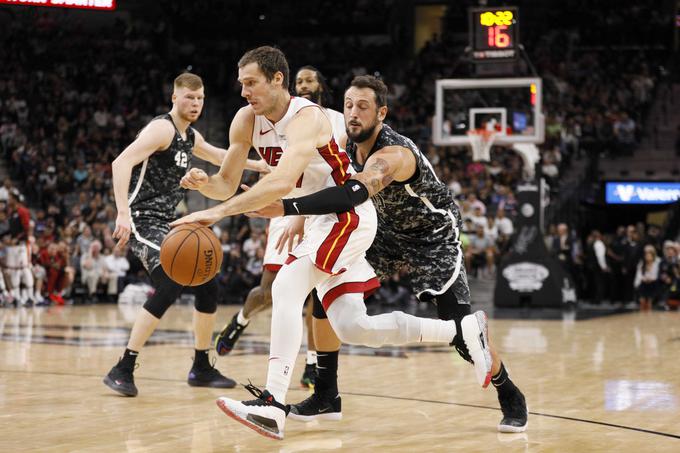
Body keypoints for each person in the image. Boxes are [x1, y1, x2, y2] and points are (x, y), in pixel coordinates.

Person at [173, 47, 492, 440]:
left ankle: (273, 404)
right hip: (320, 224)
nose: (244, 92)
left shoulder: (307, 117)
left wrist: (218, 213)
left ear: (278, 80)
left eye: (251, 83)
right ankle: (461, 332)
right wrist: (206, 184)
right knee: (354, 327)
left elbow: (280, 180)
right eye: (241, 84)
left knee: (288, 286)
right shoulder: (245, 120)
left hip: (346, 216)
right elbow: (225, 182)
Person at [249, 75, 527, 433]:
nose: (353, 113)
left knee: (458, 329)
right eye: (348, 105)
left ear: (381, 112)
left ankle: (508, 392)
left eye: (362, 107)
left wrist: (287, 207)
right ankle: (325, 394)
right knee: (325, 291)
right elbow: (316, 176)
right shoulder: (345, 146)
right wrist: (301, 218)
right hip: (382, 232)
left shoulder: (392, 155)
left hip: (431, 236)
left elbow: (352, 192)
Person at [102, 72, 254, 397]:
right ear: (175, 98)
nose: (195, 103)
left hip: (169, 222)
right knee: (172, 281)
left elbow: (221, 156)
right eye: (189, 97)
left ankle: (201, 366)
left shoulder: (190, 136)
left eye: (200, 98)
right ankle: (123, 367)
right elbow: (121, 162)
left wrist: (266, 168)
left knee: (207, 279)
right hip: (143, 219)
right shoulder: (162, 128)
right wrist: (123, 212)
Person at [213, 65, 345, 388]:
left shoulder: (331, 119)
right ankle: (241, 320)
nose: (305, 84)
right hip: (282, 209)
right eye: (300, 80)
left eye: (310, 79)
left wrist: (302, 214)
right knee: (270, 289)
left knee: (317, 289)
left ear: (320, 84)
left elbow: (328, 175)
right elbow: (271, 168)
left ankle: (312, 365)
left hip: (318, 208)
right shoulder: (270, 116)